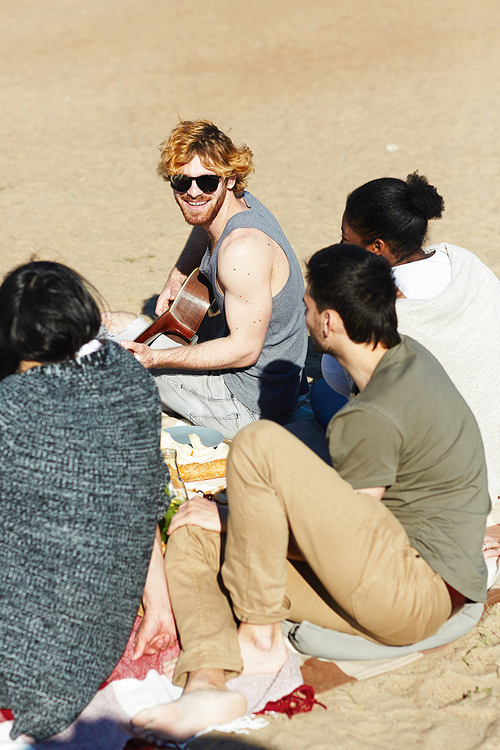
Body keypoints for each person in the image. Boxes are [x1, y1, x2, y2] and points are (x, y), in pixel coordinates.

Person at [131, 245, 489, 743]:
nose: (301, 315)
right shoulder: (405, 361)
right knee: (196, 531)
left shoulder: (375, 414)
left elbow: (353, 535)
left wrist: (240, 522)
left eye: (306, 305)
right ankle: (208, 683)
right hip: (396, 572)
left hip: (414, 593)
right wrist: (230, 521)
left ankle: (259, 635)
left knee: (257, 446)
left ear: (329, 322)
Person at [0, 261, 174, 742]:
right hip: (97, 638)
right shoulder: (132, 380)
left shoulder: (15, 404)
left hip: (16, 652)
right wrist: (158, 603)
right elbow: (141, 496)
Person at [104, 119, 308, 439]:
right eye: (181, 181)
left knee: (103, 341)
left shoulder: (243, 251)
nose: (194, 191)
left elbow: (244, 350)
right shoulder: (240, 204)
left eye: (207, 182)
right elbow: (204, 223)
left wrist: (155, 358)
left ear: (230, 179)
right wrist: (180, 273)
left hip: (245, 408)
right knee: (112, 323)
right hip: (267, 388)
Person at [315, 173, 500, 519]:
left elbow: (339, 379)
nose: (340, 248)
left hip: (452, 474)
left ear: (377, 248)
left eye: (346, 240)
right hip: (494, 447)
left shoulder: (378, 310)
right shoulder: (462, 260)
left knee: (322, 395)